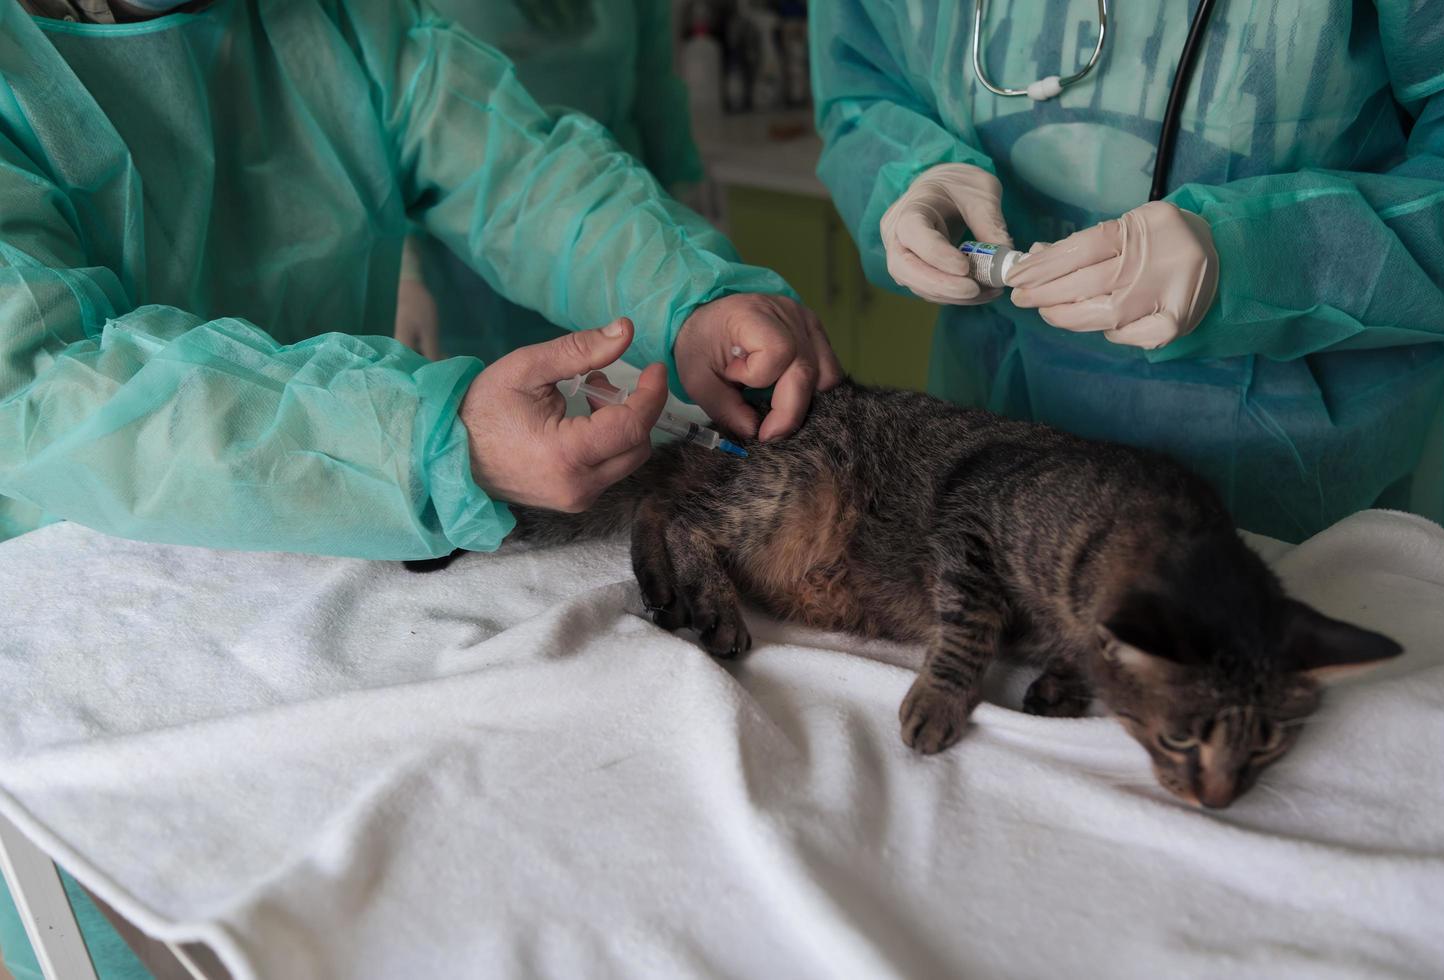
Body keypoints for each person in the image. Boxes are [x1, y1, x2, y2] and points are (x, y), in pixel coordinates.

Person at [0, 1, 838, 976]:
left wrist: (691, 297)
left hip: (345, 561)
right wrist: (427, 439)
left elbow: (523, 170)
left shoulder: (334, 23)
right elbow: (50, 387)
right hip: (91, 637)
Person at [812, 1, 1444, 546]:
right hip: (993, 454)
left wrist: (1260, 254)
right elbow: (863, 86)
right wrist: (906, 177)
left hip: (1308, 512)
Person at [394, 0, 710, 365]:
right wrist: (403, 268)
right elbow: (387, 119)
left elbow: (655, 92)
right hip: (462, 254)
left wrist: (689, 244)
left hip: (618, 232)